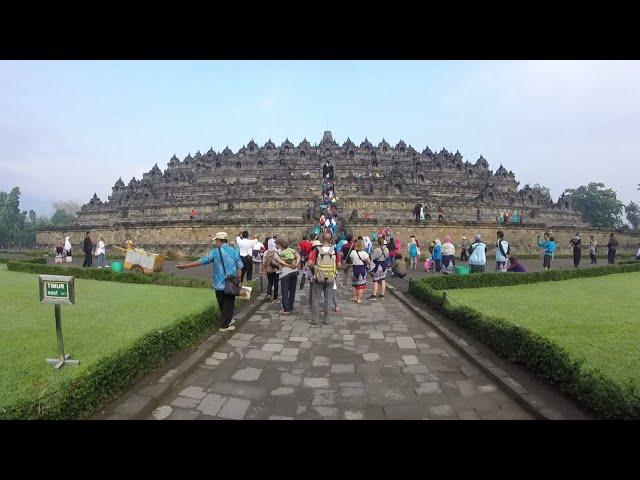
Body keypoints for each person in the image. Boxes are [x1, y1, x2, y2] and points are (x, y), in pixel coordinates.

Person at [177, 232, 243, 332]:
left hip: (218, 283)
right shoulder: (234, 251)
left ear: (219, 241)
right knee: (229, 304)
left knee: (222, 304)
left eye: (216, 240)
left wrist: (186, 266)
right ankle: (225, 324)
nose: (215, 242)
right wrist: (239, 281)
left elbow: (202, 261)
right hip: (230, 283)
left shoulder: (214, 252)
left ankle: (225, 324)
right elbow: (240, 268)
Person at [307, 231, 341, 325]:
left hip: (318, 277)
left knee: (316, 298)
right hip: (330, 277)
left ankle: (315, 320)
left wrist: (314, 269)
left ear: (321, 238)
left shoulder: (316, 250)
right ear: (331, 239)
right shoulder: (334, 250)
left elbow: (310, 263)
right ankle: (327, 320)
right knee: (329, 299)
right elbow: (339, 265)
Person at [274, 238, 300, 315]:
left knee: (284, 291)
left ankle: (286, 309)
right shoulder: (291, 250)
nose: (276, 245)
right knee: (292, 291)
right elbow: (298, 256)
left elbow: (279, 261)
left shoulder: (277, 252)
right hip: (294, 272)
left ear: (279, 245)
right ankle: (290, 306)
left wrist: (288, 265)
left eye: (276, 244)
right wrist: (295, 265)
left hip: (285, 273)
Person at [350, 238, 371, 303]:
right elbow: (369, 262)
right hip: (361, 269)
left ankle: (354, 297)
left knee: (354, 285)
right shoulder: (364, 253)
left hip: (354, 269)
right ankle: (359, 299)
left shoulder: (353, 252)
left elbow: (351, 260)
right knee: (361, 285)